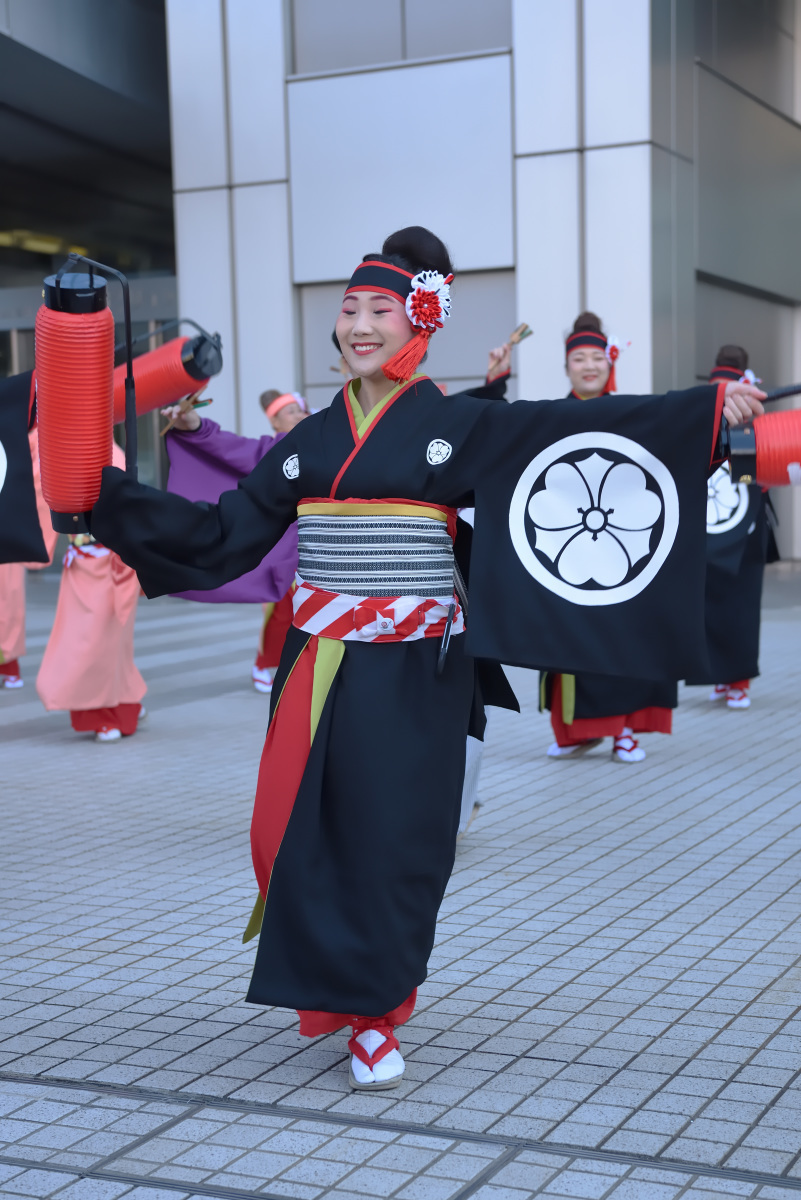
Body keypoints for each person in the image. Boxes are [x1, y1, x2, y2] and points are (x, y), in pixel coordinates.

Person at [86, 226, 764, 1091]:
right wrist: (99, 493)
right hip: (318, 662)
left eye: (380, 310)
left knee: (395, 841)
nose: (360, 326)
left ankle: (374, 1014)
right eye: (348, 311)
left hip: (418, 668)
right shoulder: (308, 443)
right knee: (287, 836)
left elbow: (575, 427)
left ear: (419, 326)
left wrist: (702, 412)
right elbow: (218, 536)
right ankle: (336, 986)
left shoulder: (458, 425)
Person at [538, 313, 679, 764]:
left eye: (597, 357)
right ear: (566, 367)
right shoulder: (548, 417)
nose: (589, 366)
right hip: (567, 544)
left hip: (623, 541)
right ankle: (576, 732)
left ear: (609, 361)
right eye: (579, 358)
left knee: (622, 637)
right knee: (568, 640)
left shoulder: (632, 413)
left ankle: (622, 732)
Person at [162, 391, 307, 693]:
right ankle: (266, 663)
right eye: (291, 411)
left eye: (301, 410)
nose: (299, 415)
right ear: (275, 420)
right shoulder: (277, 449)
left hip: (327, 551)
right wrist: (196, 428)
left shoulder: (325, 442)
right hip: (286, 551)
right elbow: (232, 449)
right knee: (283, 613)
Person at [36, 442, 146, 742]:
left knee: (110, 643)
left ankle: (116, 709)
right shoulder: (67, 451)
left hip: (113, 562)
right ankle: (107, 711)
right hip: (81, 563)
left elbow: (128, 506)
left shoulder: (113, 453)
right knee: (85, 641)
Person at [686, 345, 776, 709]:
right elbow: (752, 472)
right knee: (740, 605)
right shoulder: (745, 404)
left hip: (710, 525)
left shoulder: (705, 401)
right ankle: (736, 683)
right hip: (742, 523)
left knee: (711, 606)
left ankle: (723, 680)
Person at [0, 424, 59, 689]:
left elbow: (36, 475)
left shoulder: (30, 433)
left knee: (7, 598)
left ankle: (8, 664)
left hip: (6, 522)